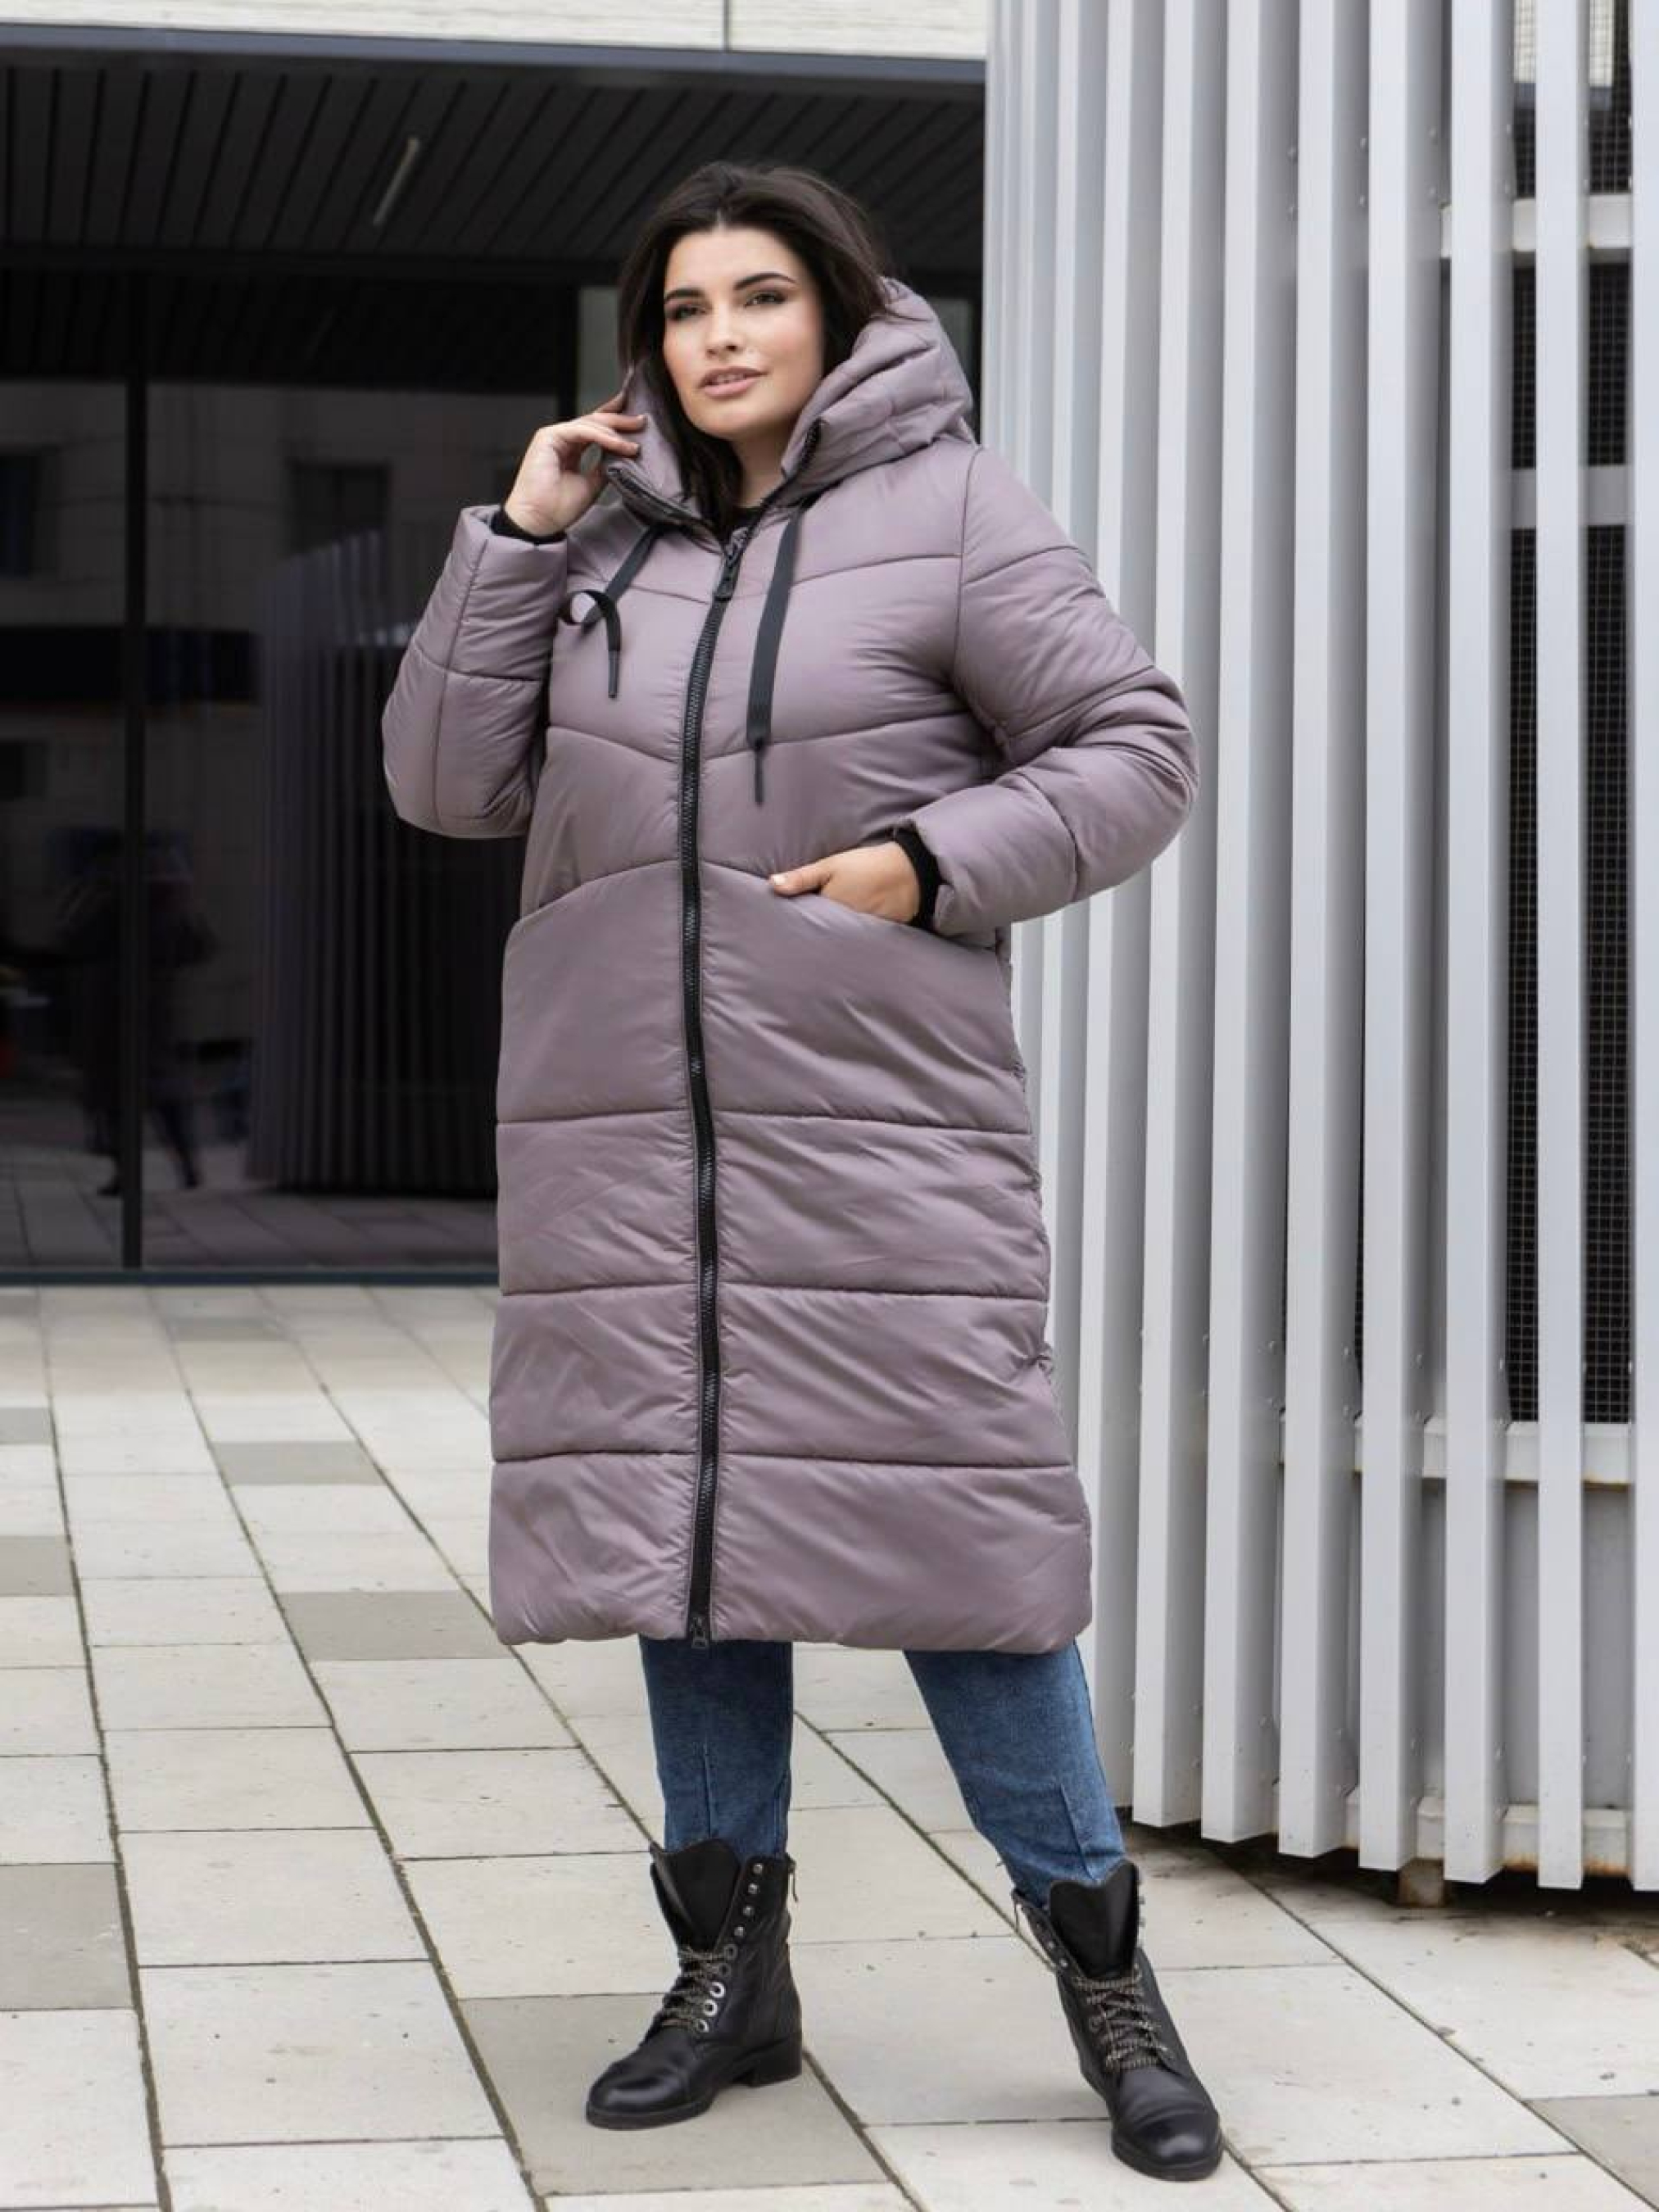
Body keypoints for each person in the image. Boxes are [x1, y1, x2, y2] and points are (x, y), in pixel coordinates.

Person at [381, 161, 1221, 2183]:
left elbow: (1132, 748)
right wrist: (519, 538)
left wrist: (924, 867)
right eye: (682, 308)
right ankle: (726, 1978)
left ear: (838, 314)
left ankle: (1107, 1986)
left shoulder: (952, 509)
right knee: (686, 1551)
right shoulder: (596, 540)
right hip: (624, 1143)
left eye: (758, 295)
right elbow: (443, 785)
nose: (719, 337)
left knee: (962, 1559)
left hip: (874, 1133)